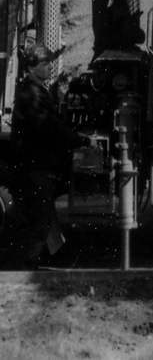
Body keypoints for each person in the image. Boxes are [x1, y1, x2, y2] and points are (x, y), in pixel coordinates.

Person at [4, 44, 91, 270]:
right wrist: (82, 140)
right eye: (45, 64)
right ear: (32, 67)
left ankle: (23, 266)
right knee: (36, 225)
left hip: (36, 168)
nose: (50, 67)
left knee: (37, 222)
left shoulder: (33, 90)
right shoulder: (33, 93)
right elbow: (50, 129)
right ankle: (23, 271)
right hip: (37, 170)